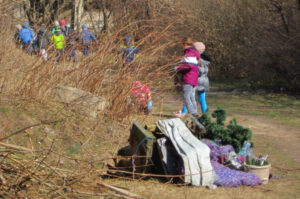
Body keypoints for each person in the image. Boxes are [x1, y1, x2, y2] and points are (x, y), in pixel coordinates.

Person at [181, 42, 211, 115]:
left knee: (189, 97)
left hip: (197, 81)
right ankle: (205, 115)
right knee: (202, 99)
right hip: (204, 82)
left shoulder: (196, 59)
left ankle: (184, 112)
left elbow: (200, 71)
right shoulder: (206, 60)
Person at [175, 37, 200, 117]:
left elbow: (188, 66)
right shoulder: (195, 53)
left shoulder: (190, 53)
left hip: (188, 78)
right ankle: (195, 112)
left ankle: (192, 112)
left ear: (185, 44)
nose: (181, 47)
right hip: (194, 79)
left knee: (186, 96)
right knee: (192, 96)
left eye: (182, 45)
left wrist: (177, 68)